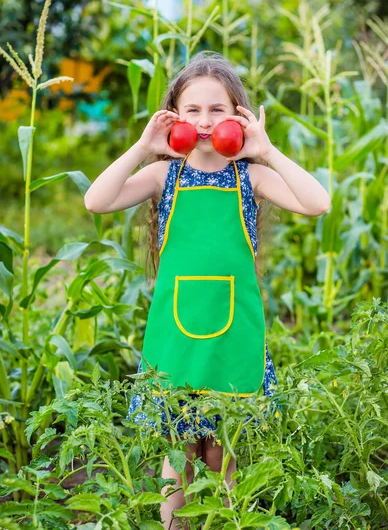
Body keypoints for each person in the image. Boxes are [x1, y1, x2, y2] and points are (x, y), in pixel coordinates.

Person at [84, 51, 331, 529]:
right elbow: (97, 200)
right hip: (176, 338)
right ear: (173, 115)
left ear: (238, 113)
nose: (203, 121)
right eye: (191, 110)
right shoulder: (163, 175)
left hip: (232, 336)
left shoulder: (251, 176)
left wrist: (266, 150)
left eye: (217, 109)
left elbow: (317, 203)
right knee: (179, 461)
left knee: (223, 457)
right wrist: (142, 146)